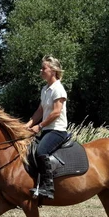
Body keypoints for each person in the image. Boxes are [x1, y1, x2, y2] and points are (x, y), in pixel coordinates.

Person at [25, 55, 68, 200]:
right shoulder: (45, 89)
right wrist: (28, 124)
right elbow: (40, 111)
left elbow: (56, 112)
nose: (41, 70)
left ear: (53, 70)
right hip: (47, 129)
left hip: (57, 130)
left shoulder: (58, 89)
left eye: (44, 68)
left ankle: (48, 188)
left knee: (41, 151)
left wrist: (39, 126)